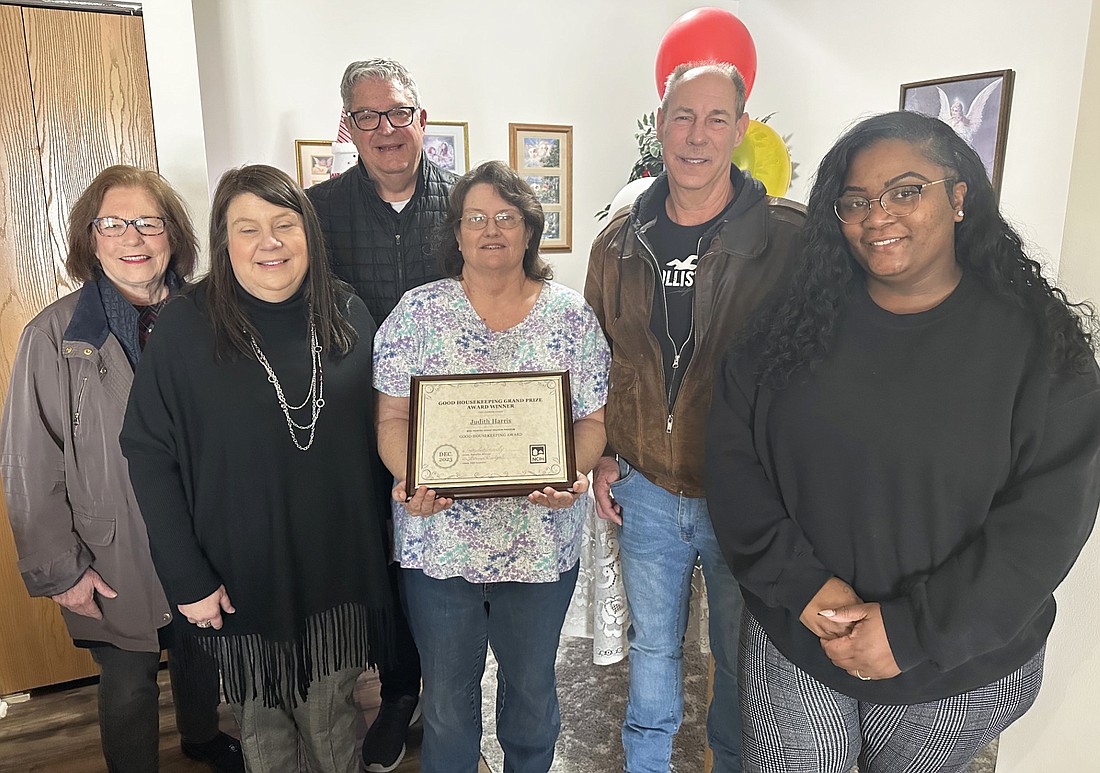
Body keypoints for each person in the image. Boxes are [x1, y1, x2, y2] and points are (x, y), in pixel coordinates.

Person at [705, 110, 1100, 773]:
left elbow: (1047, 525)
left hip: (955, 660)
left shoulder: (1039, 349)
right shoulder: (792, 324)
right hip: (802, 629)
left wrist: (914, 629)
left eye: (906, 190)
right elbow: (732, 458)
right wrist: (803, 586)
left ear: (959, 195)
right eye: (855, 201)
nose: (876, 215)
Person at [120, 165, 394, 773]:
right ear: (224, 242)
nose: (268, 242)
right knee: (266, 741)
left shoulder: (349, 314)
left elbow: (391, 431)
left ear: (308, 234)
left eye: (283, 224)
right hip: (239, 578)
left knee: (335, 730)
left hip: (337, 575)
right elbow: (147, 452)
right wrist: (186, 577)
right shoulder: (188, 327)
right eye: (247, 229)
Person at [584, 62, 805, 772]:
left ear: (741, 131)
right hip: (647, 489)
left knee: (742, 660)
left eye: (716, 119)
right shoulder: (618, 242)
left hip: (748, 499)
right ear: (660, 125)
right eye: (683, 117)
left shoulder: (788, 243)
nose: (697, 135)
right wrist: (604, 450)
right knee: (653, 651)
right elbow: (597, 358)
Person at [0, 165, 242, 773]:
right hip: (110, 548)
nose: (132, 239)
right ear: (91, 238)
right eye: (113, 224)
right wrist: (61, 571)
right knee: (130, 679)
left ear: (173, 237)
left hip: (204, 533)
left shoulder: (216, 316)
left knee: (199, 651)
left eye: (148, 223)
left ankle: (202, 737)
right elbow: (31, 467)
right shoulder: (52, 336)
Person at [373, 160, 610, 773]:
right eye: (476, 217)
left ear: (530, 230)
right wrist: (414, 476)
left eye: (507, 216)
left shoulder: (571, 317)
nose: (491, 229)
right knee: (449, 707)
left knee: (531, 699)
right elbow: (392, 422)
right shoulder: (417, 314)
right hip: (439, 545)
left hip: (538, 545)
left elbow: (591, 424)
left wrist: (569, 473)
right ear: (456, 234)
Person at [308, 57, 455, 772]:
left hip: (461, 426)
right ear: (348, 126)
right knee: (387, 562)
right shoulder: (316, 214)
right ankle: (399, 690)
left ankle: (456, 690)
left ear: (421, 119)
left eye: (398, 112)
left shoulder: (466, 207)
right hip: (355, 425)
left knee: (453, 562)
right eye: (367, 116)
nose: (385, 128)